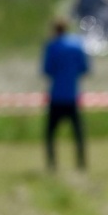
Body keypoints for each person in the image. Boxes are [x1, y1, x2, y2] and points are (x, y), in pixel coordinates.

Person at [42, 19, 90, 170]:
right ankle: (81, 162)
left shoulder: (51, 46)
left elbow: (47, 70)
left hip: (56, 96)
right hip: (72, 95)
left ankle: (52, 164)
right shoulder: (76, 45)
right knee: (78, 133)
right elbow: (84, 68)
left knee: (50, 134)